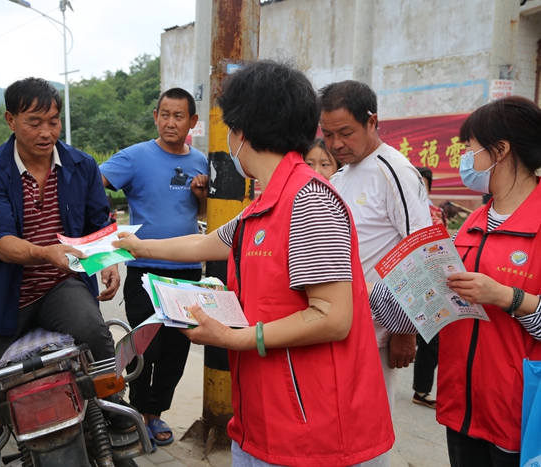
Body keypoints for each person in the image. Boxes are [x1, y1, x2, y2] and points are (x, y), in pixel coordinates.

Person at [114, 60, 394, 467]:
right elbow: (206, 243)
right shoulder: (266, 203)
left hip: (315, 432)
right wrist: (139, 246)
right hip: (265, 419)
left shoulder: (309, 202)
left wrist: (233, 339)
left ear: (241, 131)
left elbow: (333, 316)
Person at [0, 77, 125, 467]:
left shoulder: (81, 165)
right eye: (35, 122)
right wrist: (47, 252)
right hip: (5, 299)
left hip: (60, 286)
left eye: (53, 120)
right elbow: (0, 242)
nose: (46, 132)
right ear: (11, 120)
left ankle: (116, 415)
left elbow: (99, 222)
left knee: (95, 332)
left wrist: (110, 260)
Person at [320, 80, 431, 467]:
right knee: (339, 431)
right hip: (339, 325)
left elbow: (420, 250)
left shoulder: (394, 171)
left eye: (345, 132)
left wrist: (405, 329)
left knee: (367, 435)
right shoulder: (341, 176)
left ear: (372, 122)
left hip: (380, 333)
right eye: (328, 134)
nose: (335, 144)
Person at [99, 87, 208, 448]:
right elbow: (92, 186)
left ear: (192, 121)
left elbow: (206, 216)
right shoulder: (134, 157)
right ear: (155, 116)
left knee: (178, 350)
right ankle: (134, 409)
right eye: (164, 114)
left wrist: (201, 198)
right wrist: (105, 237)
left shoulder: (201, 163)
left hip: (189, 271)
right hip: (144, 271)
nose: (170, 122)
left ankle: (153, 414)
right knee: (147, 347)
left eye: (178, 116)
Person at [438, 95, 541, 467]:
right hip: (463, 404)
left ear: (500, 150)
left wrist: (507, 296)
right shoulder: (472, 220)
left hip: (518, 410)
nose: (466, 160)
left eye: (470, 150)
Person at [412, 166, 444, 409]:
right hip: (411, 280)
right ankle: (421, 389)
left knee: (433, 337)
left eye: (424, 184)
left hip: (435, 279)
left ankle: (422, 389)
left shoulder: (436, 212)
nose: (421, 189)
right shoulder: (407, 210)